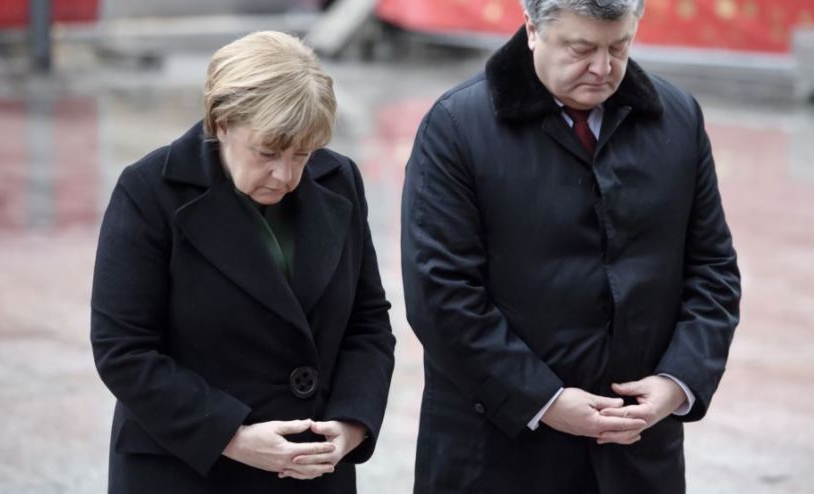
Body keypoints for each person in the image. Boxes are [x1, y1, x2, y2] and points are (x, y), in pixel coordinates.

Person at [400, 0, 741, 493]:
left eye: (619, 46)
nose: (603, 69)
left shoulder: (678, 118)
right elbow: (441, 295)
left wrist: (679, 381)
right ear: (532, 29)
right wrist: (544, 400)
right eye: (581, 48)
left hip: (638, 453)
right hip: (497, 451)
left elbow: (713, 268)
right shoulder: (457, 127)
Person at [91, 31, 395, 494]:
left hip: (311, 475)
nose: (287, 176)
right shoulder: (149, 191)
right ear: (222, 122)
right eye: (268, 153)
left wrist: (352, 424)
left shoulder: (340, 180)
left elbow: (368, 321)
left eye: (303, 154)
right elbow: (124, 351)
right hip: (187, 471)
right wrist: (230, 436)